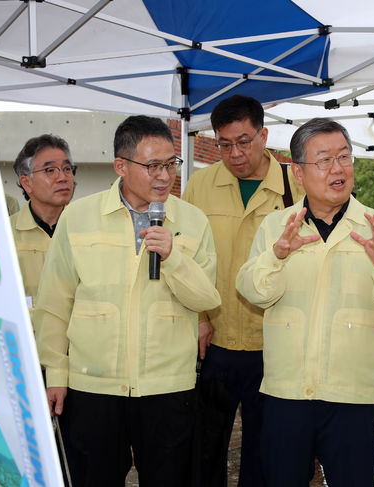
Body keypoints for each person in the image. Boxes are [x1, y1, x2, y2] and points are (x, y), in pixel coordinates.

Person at [33, 115, 221, 487]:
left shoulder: (193, 221)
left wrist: (174, 257)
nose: (165, 176)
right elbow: (55, 302)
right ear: (121, 166)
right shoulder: (79, 218)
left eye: (171, 164)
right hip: (94, 390)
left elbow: (206, 297)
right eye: (153, 165)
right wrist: (55, 372)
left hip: (168, 390)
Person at [236, 117, 374, 487]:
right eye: (324, 160)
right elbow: (253, 292)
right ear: (299, 174)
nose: (338, 168)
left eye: (345, 157)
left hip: (353, 397)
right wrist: (276, 256)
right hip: (285, 393)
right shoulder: (277, 227)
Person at [182, 94, 303, 486]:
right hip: (212, 342)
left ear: (264, 135)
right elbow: (185, 260)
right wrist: (197, 319)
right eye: (224, 143)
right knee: (203, 449)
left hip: (273, 345)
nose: (234, 153)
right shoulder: (200, 186)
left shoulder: (294, 187)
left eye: (244, 141)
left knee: (263, 452)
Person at [10, 134, 75, 310]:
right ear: (27, 183)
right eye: (50, 170)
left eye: (67, 169)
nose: (62, 177)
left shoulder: (88, 228)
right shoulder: (5, 235)